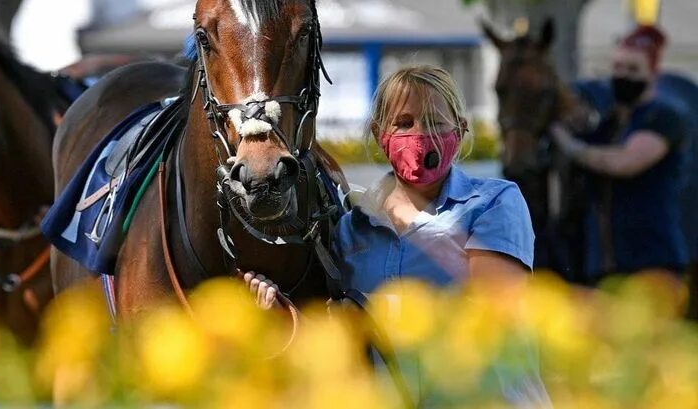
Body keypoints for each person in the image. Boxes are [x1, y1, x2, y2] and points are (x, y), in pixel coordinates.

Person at [246, 65, 548, 407]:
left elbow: (491, 313)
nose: (420, 134)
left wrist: (365, 316)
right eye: (404, 122)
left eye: (435, 121)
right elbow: (345, 341)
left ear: (460, 131)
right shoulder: (351, 228)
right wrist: (287, 318)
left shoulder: (495, 202)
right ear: (379, 134)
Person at [549, 24, 690, 285]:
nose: (623, 75)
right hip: (605, 265)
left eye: (633, 69)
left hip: (653, 262)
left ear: (654, 73)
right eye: (618, 68)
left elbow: (624, 162)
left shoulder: (664, 116)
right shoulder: (611, 122)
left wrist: (569, 145)